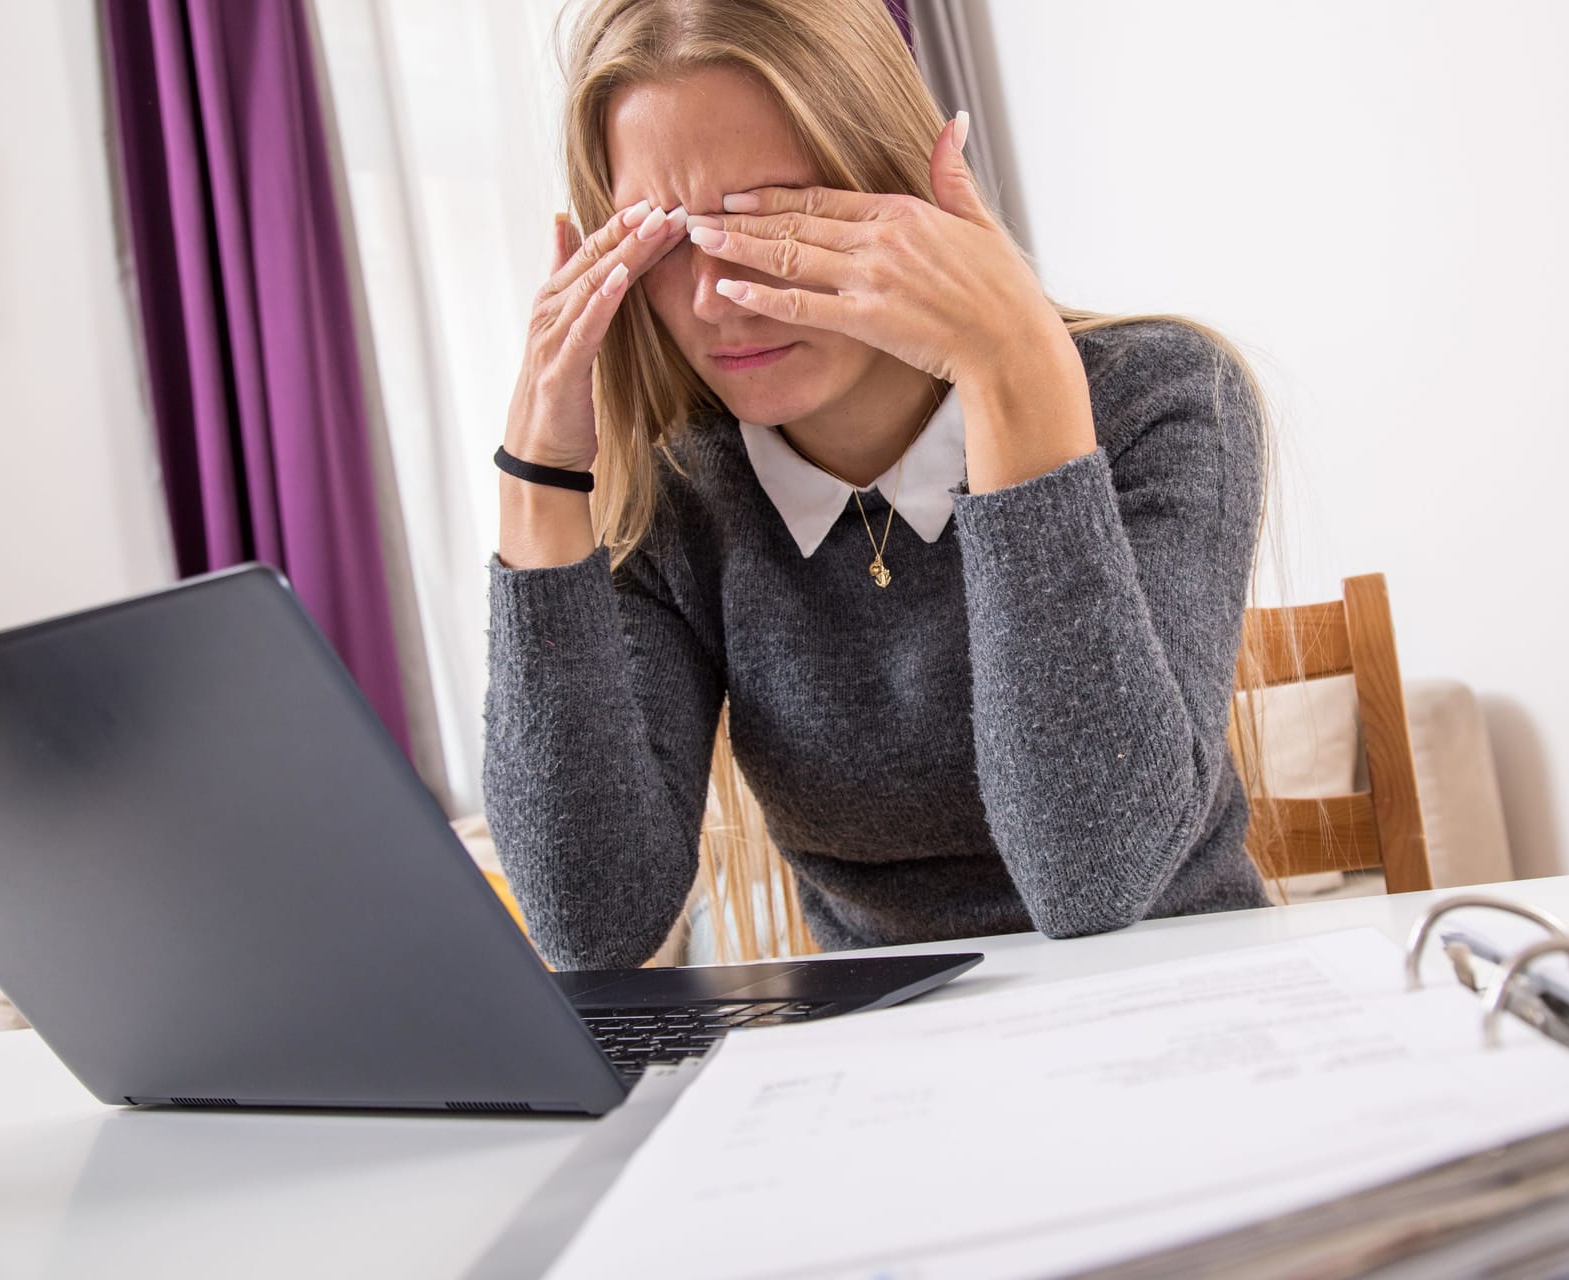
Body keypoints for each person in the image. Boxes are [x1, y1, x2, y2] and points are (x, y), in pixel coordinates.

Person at [484, 0, 1275, 971]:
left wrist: (1013, 364)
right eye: (665, 240)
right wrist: (537, 481)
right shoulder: (684, 495)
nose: (715, 296)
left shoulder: (1163, 395)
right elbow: (591, 923)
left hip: (1185, 1012)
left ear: (895, 188)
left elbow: (1094, 877)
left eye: (771, 220)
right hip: (884, 1066)